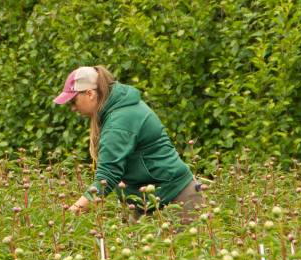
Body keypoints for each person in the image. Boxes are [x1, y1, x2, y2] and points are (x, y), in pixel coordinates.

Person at [53, 65, 204, 221]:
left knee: (181, 245)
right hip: (149, 200)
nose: (72, 108)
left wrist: (70, 214)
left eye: (73, 101)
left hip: (177, 198)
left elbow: (106, 178)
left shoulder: (119, 121)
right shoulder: (116, 109)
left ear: (90, 94)